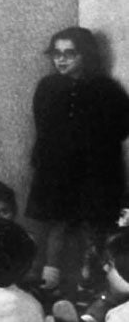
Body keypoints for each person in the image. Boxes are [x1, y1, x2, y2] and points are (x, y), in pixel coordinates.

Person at [26, 27, 129, 297]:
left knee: (93, 226)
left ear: (86, 55)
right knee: (56, 223)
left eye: (70, 54)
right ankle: (50, 280)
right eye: (57, 54)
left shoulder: (105, 89)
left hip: (94, 170)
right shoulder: (47, 87)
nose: (61, 60)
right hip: (57, 168)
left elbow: (121, 128)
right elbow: (44, 125)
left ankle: (91, 279)